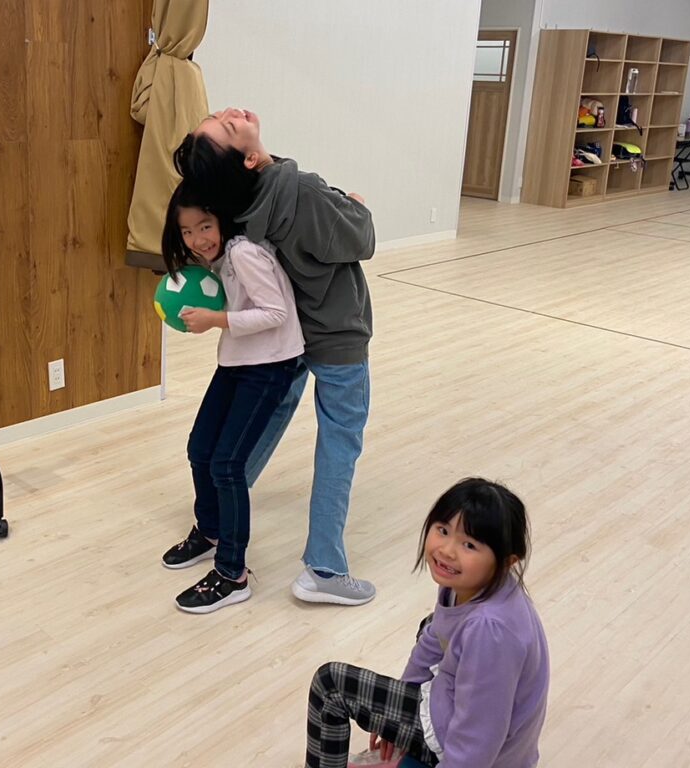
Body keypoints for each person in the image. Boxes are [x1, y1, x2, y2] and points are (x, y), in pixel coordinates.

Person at [173, 107, 376, 606]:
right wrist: (351, 205)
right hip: (337, 333)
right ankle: (324, 569)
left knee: (267, 423)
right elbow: (362, 238)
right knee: (340, 441)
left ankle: (218, 522)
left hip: (286, 339)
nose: (230, 113)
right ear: (245, 159)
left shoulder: (241, 206)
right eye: (226, 125)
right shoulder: (299, 191)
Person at [304, 478, 550, 768]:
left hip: (476, 750)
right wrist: (393, 722)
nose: (447, 551)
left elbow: (478, 742)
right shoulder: (465, 585)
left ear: (508, 562)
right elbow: (433, 641)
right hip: (448, 706)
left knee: (330, 685)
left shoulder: (490, 630)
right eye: (443, 530)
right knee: (431, 626)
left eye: (469, 545)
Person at [159, 181, 304, 614]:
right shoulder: (219, 259)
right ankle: (210, 531)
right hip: (238, 360)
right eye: (187, 231)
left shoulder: (243, 253)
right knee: (200, 449)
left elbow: (276, 313)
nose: (197, 239)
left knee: (227, 464)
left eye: (205, 226)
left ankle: (232, 573)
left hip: (270, 365)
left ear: (222, 220)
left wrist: (216, 319)